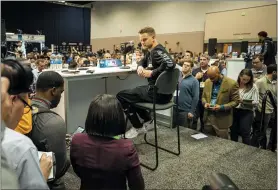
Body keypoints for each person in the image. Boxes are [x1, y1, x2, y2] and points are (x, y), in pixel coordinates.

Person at [70, 94, 145, 190]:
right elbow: (137, 184)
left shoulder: (77, 140)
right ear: (118, 118)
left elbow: (78, 170)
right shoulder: (126, 148)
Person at [116, 27, 176, 138]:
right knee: (133, 95)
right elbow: (142, 61)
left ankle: (137, 127)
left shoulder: (158, 51)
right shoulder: (151, 51)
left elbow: (171, 64)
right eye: (141, 40)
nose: (142, 42)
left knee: (121, 96)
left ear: (153, 38)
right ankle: (149, 121)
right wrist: (139, 67)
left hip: (157, 94)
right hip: (163, 94)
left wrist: (152, 73)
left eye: (145, 39)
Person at [1, 59, 52, 189]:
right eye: (25, 104)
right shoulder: (20, 146)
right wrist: (41, 175)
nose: (25, 110)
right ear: (11, 100)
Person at [30, 71, 69, 190]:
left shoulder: (23, 108)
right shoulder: (54, 122)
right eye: (61, 92)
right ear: (53, 91)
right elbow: (59, 169)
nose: (61, 96)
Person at [202, 66, 240, 139]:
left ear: (219, 74)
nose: (211, 80)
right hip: (208, 117)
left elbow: (236, 101)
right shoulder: (207, 81)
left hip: (222, 118)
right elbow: (203, 97)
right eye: (209, 77)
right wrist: (205, 103)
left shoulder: (231, 83)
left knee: (223, 143)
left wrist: (221, 107)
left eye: (212, 78)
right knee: (208, 141)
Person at [230, 69, 259, 145]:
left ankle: (246, 152)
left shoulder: (253, 87)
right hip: (234, 110)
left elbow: (256, 102)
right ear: (240, 76)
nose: (245, 81)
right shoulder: (234, 84)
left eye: (247, 80)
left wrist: (245, 101)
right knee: (233, 131)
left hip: (247, 111)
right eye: (243, 79)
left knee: (245, 132)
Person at [252, 64, 277, 149]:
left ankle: (271, 146)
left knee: (274, 130)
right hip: (263, 111)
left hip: (274, 109)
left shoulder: (276, 81)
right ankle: (259, 147)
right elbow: (254, 95)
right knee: (262, 130)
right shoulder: (260, 82)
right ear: (274, 72)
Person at [173, 59, 199, 128]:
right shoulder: (177, 77)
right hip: (173, 108)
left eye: (188, 65)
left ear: (191, 68)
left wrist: (191, 111)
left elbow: (195, 97)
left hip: (185, 111)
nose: (185, 67)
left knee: (183, 132)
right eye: (184, 65)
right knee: (172, 130)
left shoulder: (194, 81)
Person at [192, 54, 210, 131]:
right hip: (196, 96)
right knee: (194, 117)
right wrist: (196, 78)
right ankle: (191, 132)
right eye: (201, 60)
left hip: (206, 97)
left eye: (204, 59)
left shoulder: (211, 71)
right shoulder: (195, 71)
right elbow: (191, 83)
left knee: (204, 118)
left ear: (208, 60)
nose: (202, 61)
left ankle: (203, 132)